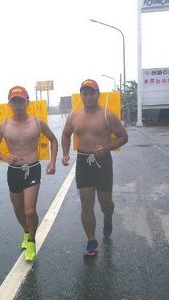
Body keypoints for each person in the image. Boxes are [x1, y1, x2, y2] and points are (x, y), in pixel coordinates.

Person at [0, 86, 58, 262]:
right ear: (9, 103)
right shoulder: (3, 126)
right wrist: (5, 157)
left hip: (32, 168)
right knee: (18, 209)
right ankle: (27, 232)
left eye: (21, 101)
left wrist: (52, 161)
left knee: (29, 210)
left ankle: (32, 242)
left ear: (27, 102)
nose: (18, 104)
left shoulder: (37, 123)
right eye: (14, 101)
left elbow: (53, 139)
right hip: (14, 171)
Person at [61, 79, 128, 256]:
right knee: (86, 204)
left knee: (105, 204)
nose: (88, 96)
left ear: (98, 94)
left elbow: (123, 137)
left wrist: (106, 148)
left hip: (103, 162)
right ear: (81, 95)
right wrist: (66, 154)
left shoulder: (107, 115)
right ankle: (92, 241)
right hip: (83, 161)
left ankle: (108, 218)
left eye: (92, 92)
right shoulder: (74, 116)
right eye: (85, 93)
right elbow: (66, 135)